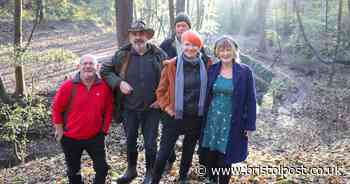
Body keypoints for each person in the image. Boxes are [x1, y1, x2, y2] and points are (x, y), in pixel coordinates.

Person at [100, 20, 167, 184]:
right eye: (135, 34)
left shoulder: (159, 55)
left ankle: (150, 173)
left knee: (150, 143)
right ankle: (131, 170)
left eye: (141, 34)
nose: (138, 37)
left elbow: (170, 79)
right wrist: (119, 83)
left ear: (147, 36)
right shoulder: (121, 55)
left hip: (152, 108)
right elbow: (104, 70)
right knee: (130, 140)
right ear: (130, 37)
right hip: (129, 108)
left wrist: (161, 100)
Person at [152, 30, 212, 184]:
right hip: (174, 117)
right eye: (187, 44)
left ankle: (183, 177)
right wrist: (166, 107)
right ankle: (155, 180)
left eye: (194, 45)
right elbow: (160, 92)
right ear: (182, 45)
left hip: (195, 117)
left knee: (189, 149)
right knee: (164, 152)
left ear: (199, 47)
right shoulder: (172, 65)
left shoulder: (207, 64)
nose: (190, 48)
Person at [200, 35, 257, 184]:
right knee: (211, 154)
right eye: (221, 50)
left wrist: (250, 126)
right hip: (212, 120)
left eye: (228, 50)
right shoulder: (212, 70)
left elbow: (251, 100)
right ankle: (211, 180)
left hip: (233, 121)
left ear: (234, 51)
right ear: (217, 52)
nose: (225, 53)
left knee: (226, 157)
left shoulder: (245, 72)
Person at [52, 54, 114, 184]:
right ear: (78, 66)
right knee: (73, 171)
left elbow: (109, 109)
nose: (88, 66)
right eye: (84, 63)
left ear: (97, 67)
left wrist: (104, 130)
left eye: (91, 63)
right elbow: (56, 108)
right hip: (70, 138)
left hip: (95, 137)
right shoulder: (68, 86)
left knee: (102, 169)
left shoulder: (104, 86)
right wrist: (59, 130)